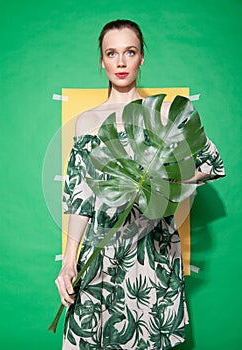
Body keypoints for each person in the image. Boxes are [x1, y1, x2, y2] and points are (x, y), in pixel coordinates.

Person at [55, 19, 225, 349]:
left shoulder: (163, 114)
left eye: (129, 52)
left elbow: (210, 164)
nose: (120, 62)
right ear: (102, 60)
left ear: (141, 57)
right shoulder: (86, 121)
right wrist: (69, 260)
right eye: (111, 53)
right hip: (101, 248)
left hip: (152, 246)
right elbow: (80, 197)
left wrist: (159, 174)